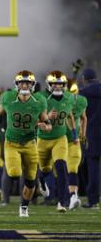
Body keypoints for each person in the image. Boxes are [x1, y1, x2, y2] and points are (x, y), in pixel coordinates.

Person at [0, 70, 51, 217]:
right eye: (22, 82)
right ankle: (12, 196)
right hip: (11, 143)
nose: (24, 85)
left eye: (27, 82)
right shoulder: (8, 98)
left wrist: (45, 127)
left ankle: (24, 206)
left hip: (30, 143)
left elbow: (48, 123)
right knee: (14, 172)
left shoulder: (39, 101)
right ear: (17, 84)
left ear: (32, 85)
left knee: (30, 181)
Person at [37, 71, 77, 213]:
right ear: (49, 85)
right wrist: (46, 118)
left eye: (60, 84)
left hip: (60, 138)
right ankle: (41, 181)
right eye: (55, 84)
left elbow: (70, 115)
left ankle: (62, 202)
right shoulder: (41, 97)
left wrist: (74, 133)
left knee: (61, 167)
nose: (58, 87)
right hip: (43, 139)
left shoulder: (69, 98)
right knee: (45, 170)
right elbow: (30, 118)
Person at [79, 68, 101, 208]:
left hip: (91, 133)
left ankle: (93, 200)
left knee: (93, 168)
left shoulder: (83, 93)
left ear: (84, 78)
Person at [66, 78, 87, 210]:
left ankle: (73, 196)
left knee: (72, 169)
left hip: (72, 140)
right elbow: (84, 118)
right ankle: (63, 197)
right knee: (60, 170)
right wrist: (83, 135)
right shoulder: (80, 100)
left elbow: (84, 118)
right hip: (58, 139)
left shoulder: (77, 100)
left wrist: (82, 135)